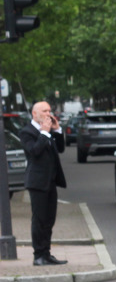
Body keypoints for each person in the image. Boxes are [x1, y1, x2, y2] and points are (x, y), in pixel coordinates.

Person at [19, 101, 68, 266]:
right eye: (45, 111)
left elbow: (60, 149)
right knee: (39, 220)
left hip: (51, 181)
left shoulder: (48, 130)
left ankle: (46, 253)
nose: (49, 113)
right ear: (35, 113)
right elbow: (34, 152)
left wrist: (57, 130)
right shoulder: (27, 131)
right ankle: (38, 255)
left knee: (49, 219)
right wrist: (45, 133)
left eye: (49, 110)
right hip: (37, 182)